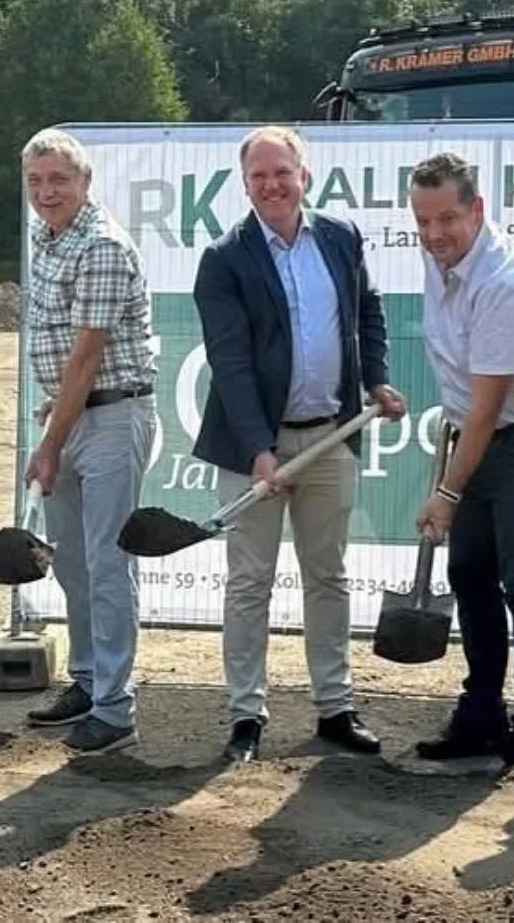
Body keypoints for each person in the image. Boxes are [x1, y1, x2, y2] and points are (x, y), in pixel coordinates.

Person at [192, 125, 406, 763]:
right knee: (250, 583)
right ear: (245, 185)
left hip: (331, 438)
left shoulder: (339, 238)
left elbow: (368, 311)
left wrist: (377, 379)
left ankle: (335, 708)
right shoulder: (224, 259)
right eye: (259, 176)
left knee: (328, 577)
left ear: (305, 175)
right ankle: (245, 717)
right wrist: (260, 449)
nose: (272, 185)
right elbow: (229, 364)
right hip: (252, 448)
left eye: (282, 172)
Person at [408, 152, 514, 772]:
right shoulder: (442, 263)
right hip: (476, 437)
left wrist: (448, 495)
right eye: (423, 221)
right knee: (470, 575)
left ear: (477, 211)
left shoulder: (506, 281)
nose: (433, 235)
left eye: (447, 219)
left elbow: (488, 409)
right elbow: (467, 406)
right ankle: (481, 713)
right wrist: (455, 465)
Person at [20, 128, 158, 754]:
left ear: (85, 184)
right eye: (36, 181)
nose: (46, 192)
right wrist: (57, 414)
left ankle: (115, 706)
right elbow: (66, 359)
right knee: (73, 562)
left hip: (109, 421)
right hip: (74, 416)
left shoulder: (100, 246)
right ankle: (86, 679)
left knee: (107, 564)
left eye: (59, 180)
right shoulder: (46, 239)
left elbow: (86, 357)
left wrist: (49, 441)